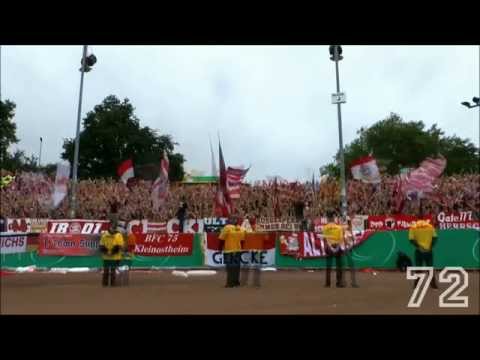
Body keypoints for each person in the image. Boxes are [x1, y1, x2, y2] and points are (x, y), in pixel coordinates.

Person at [408, 212, 438, 289]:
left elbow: (411, 240)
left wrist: (418, 246)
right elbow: (435, 238)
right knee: (430, 268)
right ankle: (433, 284)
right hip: (428, 250)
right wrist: (430, 246)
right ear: (423, 218)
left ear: (417, 219)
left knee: (418, 268)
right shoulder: (430, 226)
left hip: (419, 251)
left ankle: (416, 284)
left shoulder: (413, 227)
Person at [218, 215, 246, 288]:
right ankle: (236, 282)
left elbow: (221, 239)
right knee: (236, 267)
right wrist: (241, 248)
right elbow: (243, 241)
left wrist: (219, 249)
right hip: (238, 250)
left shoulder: (227, 228)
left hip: (229, 250)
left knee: (230, 267)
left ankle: (230, 283)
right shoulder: (241, 229)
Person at [99, 219, 125, 287]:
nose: (113, 228)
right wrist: (107, 251)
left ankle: (113, 284)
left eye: (114, 227)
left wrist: (112, 252)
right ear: (109, 227)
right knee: (106, 271)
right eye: (112, 226)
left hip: (114, 257)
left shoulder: (119, 235)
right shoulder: (104, 234)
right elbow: (101, 245)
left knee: (113, 272)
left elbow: (119, 246)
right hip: (106, 257)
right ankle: (105, 284)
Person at [322, 211, 345, 288]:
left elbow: (324, 239)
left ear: (328, 218)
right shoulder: (339, 227)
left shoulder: (325, 228)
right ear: (334, 218)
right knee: (339, 266)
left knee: (328, 266)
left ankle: (327, 283)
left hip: (329, 247)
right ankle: (339, 283)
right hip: (337, 247)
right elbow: (341, 238)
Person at [342, 217, 359, 288]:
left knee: (347, 267)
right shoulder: (346, 231)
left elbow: (353, 241)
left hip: (349, 250)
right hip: (347, 250)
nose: (350, 224)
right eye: (349, 223)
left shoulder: (350, 231)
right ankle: (351, 283)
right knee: (351, 266)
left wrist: (353, 241)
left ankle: (347, 282)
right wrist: (348, 245)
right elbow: (345, 240)